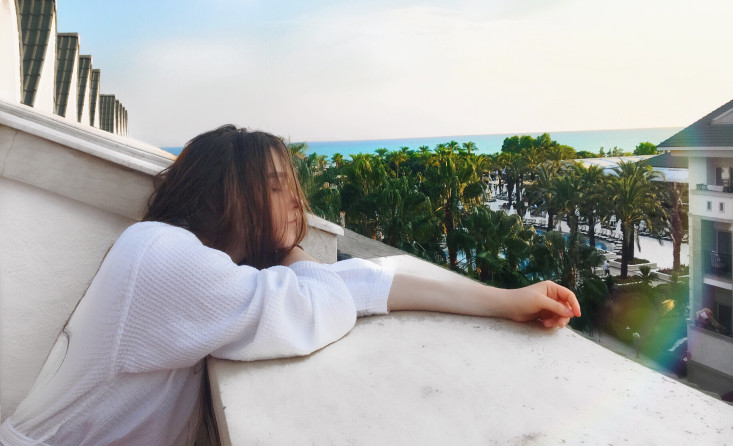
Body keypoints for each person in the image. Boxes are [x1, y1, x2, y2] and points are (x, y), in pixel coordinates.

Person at [0, 125, 580, 446]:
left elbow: (361, 283)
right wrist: (293, 251)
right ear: (229, 193)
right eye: (278, 186)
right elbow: (314, 304)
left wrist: (505, 302)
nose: (298, 203)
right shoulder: (162, 255)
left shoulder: (189, 260)